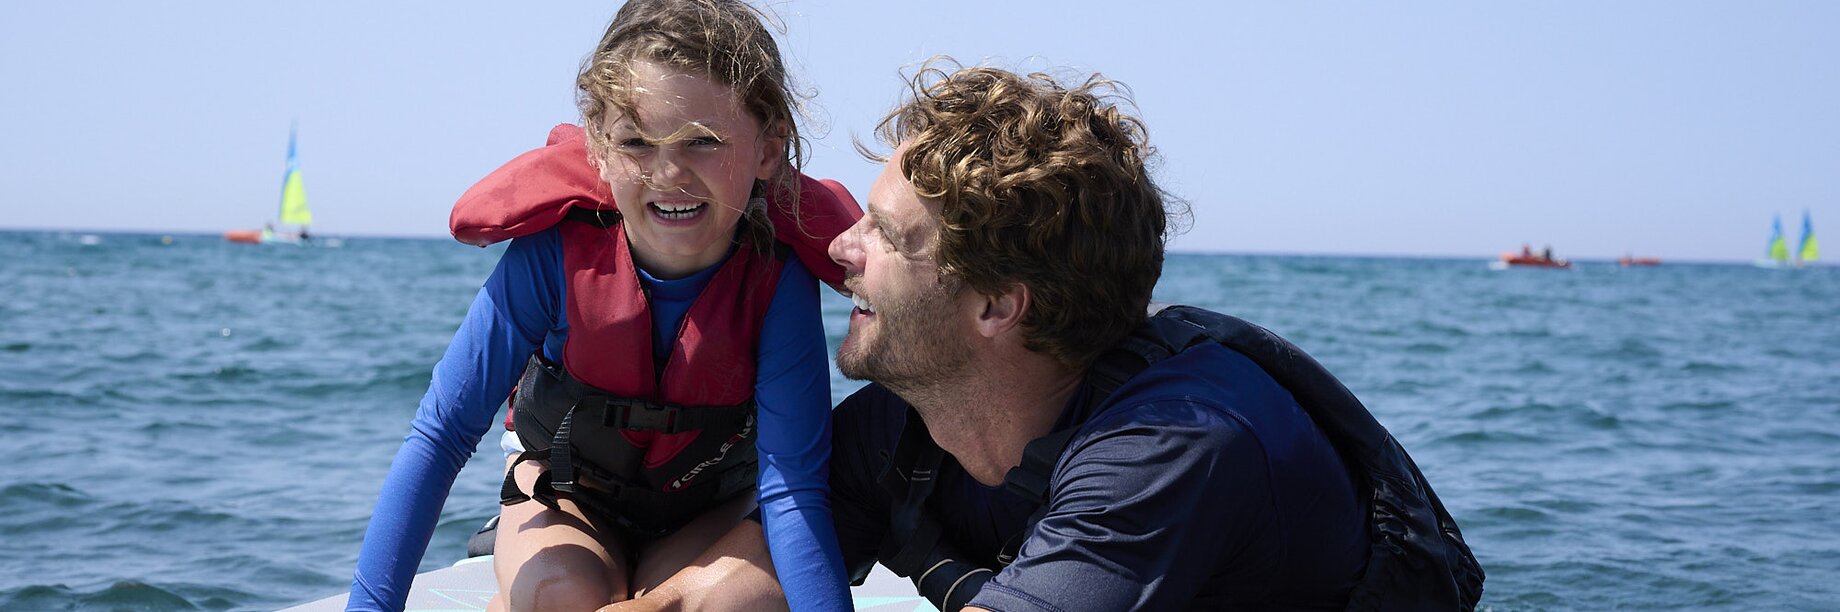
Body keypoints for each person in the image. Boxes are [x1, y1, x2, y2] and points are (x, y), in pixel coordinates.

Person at [617, 63, 1483, 611]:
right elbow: (723, 589)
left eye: (883, 233)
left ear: (997, 304)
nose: (839, 249)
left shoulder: (1172, 448)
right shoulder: (901, 432)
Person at [346, 1, 858, 610]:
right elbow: (442, 435)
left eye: (703, 141)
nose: (669, 173)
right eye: (637, 141)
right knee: (565, 598)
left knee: (723, 605)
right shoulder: (552, 257)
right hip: (567, 498)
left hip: (710, 508)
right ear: (599, 144)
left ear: (769, 150)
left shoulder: (776, 282)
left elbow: (792, 486)